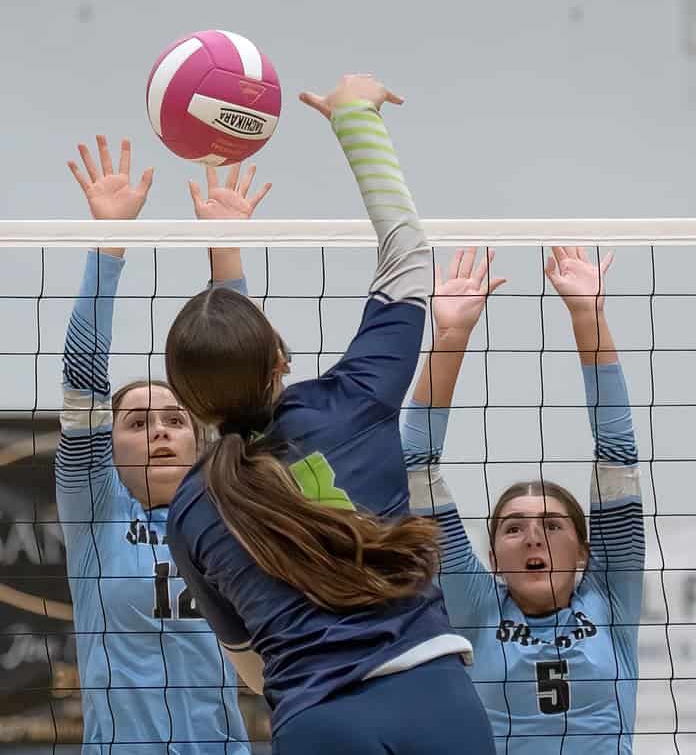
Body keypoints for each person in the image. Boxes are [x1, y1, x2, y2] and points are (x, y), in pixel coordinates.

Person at [163, 74, 495, 755]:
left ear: (189, 405)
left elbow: (253, 672)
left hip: (318, 722)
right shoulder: (354, 402)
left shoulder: (193, 510)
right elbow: (407, 260)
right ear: (278, 360)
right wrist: (355, 119)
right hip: (436, 702)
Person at [57, 135, 271, 754]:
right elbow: (82, 384)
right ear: (110, 445)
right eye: (136, 421)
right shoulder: (93, 511)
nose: (157, 431)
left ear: (200, 436)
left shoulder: (226, 506)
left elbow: (243, 378)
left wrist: (225, 249)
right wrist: (109, 242)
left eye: (175, 419)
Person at [403, 246, 645, 754]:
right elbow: (415, 463)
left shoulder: (610, 596)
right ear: (492, 557)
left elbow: (617, 457)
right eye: (513, 527)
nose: (533, 534)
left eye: (552, 526)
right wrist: (451, 338)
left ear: (584, 551)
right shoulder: (477, 605)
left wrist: (589, 315)